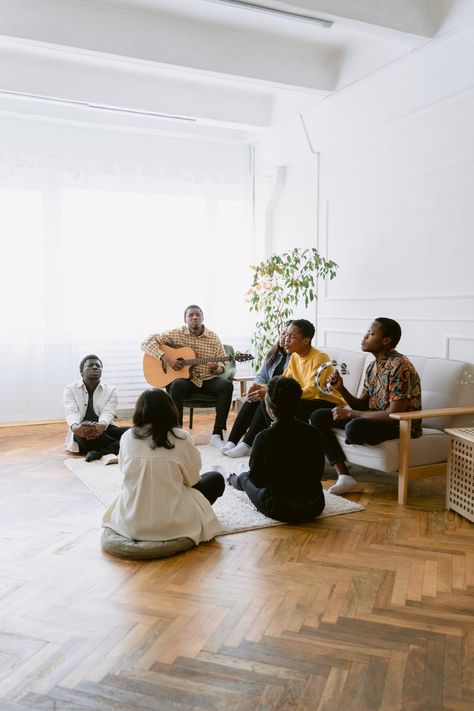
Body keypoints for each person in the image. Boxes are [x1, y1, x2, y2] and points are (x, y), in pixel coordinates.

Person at [310, 317, 422, 495]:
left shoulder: (400, 366)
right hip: (375, 419)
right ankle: (344, 476)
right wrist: (341, 388)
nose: (364, 337)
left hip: (401, 425)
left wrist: (351, 414)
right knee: (318, 416)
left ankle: (351, 437)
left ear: (386, 341)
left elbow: (394, 414)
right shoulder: (373, 367)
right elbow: (361, 404)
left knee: (355, 427)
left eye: (370, 334)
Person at [102, 389, 225, 544]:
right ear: (170, 410)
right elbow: (193, 480)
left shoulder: (127, 436)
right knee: (215, 478)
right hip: (174, 524)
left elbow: (124, 472)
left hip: (133, 523)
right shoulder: (181, 437)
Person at [227, 376, 326, 523]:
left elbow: (257, 481)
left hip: (281, 508)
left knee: (245, 478)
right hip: (315, 505)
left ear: (271, 410)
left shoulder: (263, 438)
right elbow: (318, 473)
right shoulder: (314, 432)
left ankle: (232, 478)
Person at [239, 320, 346, 447]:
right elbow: (282, 381)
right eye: (286, 335)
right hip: (304, 398)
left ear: (306, 341)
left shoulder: (320, 358)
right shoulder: (295, 356)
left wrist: (271, 392)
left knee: (279, 401)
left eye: (291, 336)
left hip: (325, 401)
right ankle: (270, 442)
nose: (286, 339)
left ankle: (282, 443)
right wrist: (261, 387)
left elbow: (313, 391)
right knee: (265, 398)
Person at [141, 305, 233, 449]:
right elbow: (146, 343)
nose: (194, 317)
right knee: (177, 384)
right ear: (185, 319)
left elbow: (222, 363)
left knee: (227, 385)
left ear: (203, 317)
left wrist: (217, 367)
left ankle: (216, 434)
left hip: (208, 379)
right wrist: (167, 359)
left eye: (198, 314)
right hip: (186, 381)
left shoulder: (213, 337)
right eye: (191, 315)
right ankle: (177, 431)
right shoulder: (176, 333)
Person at [223, 322, 292, 459]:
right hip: (269, 391)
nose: (284, 337)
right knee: (252, 397)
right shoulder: (274, 355)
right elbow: (261, 376)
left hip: (282, 396)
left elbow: (287, 383)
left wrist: (265, 391)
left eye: (288, 335)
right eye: (282, 333)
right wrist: (256, 387)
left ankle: (246, 445)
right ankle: (232, 441)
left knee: (263, 399)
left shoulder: (295, 359)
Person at [63, 354, 128, 462]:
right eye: (90, 365)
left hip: (105, 429)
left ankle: (100, 452)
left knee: (134, 432)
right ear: (81, 371)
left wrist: (101, 426)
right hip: (83, 431)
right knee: (86, 428)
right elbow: (71, 411)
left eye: (98, 365)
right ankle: (120, 445)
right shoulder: (70, 389)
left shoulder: (111, 390)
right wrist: (75, 428)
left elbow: (108, 412)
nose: (95, 367)